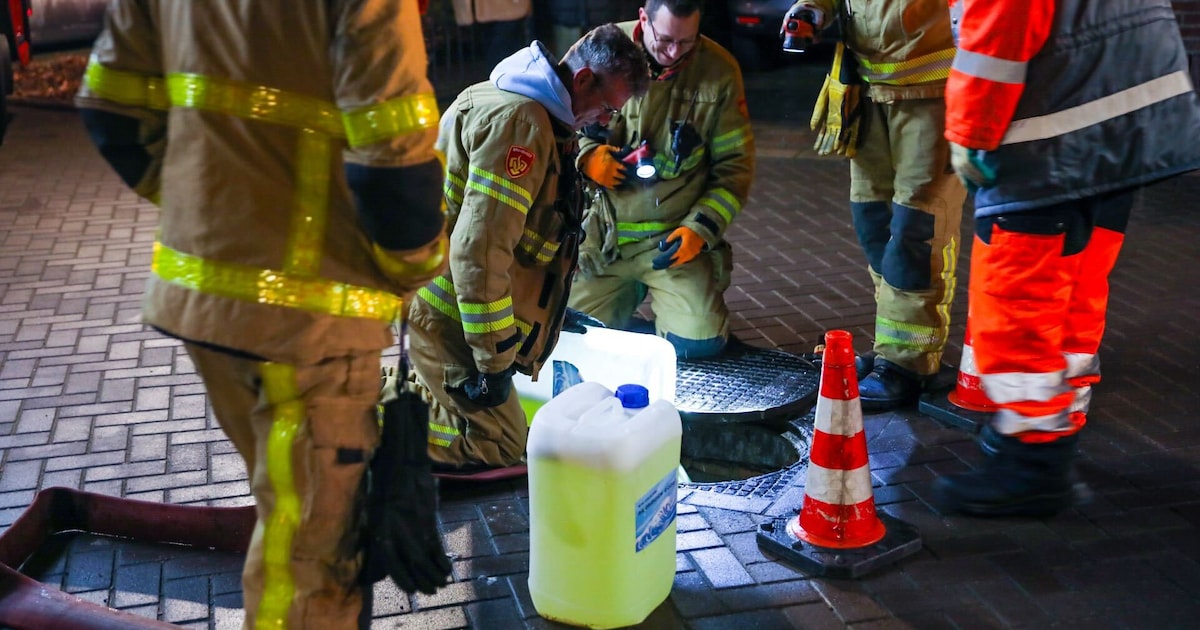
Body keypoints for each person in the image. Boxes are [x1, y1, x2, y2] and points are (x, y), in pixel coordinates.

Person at [75, 1, 454, 627]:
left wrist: (208, 216)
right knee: (310, 562)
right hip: (310, 331)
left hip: (205, 302)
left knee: (287, 516)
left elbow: (110, 110)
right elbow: (394, 163)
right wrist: (416, 267)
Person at [932, 0, 1200, 517]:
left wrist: (968, 131)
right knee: (1078, 281)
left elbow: (996, 32)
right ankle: (1060, 418)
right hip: (1125, 118)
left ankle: (1030, 462)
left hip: (1052, 127)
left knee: (1015, 297)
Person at [408, 24, 649, 470]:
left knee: (502, 435)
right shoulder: (522, 125)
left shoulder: (539, 114)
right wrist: (494, 361)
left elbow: (523, 240)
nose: (606, 122)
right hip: (451, 318)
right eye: (607, 107)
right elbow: (478, 256)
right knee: (497, 446)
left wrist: (551, 309)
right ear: (582, 80)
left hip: (455, 310)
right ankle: (357, 416)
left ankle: (400, 390)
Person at [782, 0, 965, 409]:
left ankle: (908, 364)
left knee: (917, 231)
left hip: (934, 99)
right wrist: (812, 9)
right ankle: (892, 349)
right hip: (866, 94)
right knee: (873, 223)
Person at [569, 0, 755, 359]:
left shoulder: (718, 71)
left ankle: (664, 310)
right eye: (665, 39)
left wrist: (699, 230)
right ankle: (628, 302)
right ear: (643, 19)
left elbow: (735, 170)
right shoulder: (600, 47)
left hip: (672, 242)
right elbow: (560, 119)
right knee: (571, 335)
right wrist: (587, 156)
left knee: (697, 345)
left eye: (686, 42)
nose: (673, 53)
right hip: (600, 241)